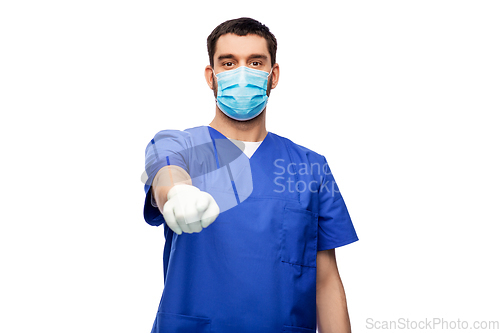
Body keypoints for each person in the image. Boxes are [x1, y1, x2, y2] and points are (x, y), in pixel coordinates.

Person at [142, 17, 358, 333]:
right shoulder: (181, 145)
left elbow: (325, 280)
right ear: (210, 76)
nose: (242, 73)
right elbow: (167, 174)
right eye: (228, 63)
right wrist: (176, 193)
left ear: (274, 75)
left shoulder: (310, 166)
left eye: (255, 62)